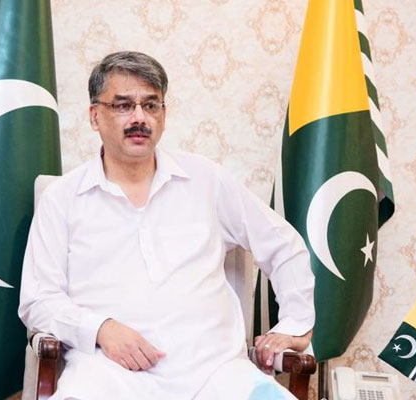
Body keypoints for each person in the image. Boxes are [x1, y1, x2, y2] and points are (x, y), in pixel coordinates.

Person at [18, 51, 315, 400]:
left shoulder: (206, 180)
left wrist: (295, 325)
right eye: (123, 105)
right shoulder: (62, 198)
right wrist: (101, 329)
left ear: (164, 114)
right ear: (95, 116)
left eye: (151, 105)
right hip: (108, 373)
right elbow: (38, 301)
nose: (139, 118)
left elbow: (284, 245)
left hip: (216, 372)